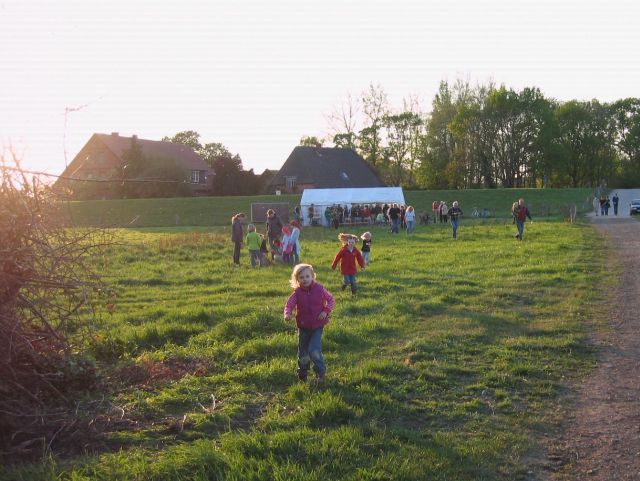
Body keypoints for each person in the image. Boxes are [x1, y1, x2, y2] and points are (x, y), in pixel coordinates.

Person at [284, 263, 335, 384]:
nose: (305, 279)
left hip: (317, 325)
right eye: (301, 277)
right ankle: (303, 372)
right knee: (303, 351)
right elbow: (289, 305)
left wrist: (325, 311)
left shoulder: (320, 289)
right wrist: (287, 314)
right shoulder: (297, 293)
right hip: (303, 326)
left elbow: (331, 300)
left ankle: (320, 373)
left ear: (313, 276)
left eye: (307, 276)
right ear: (297, 279)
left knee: (314, 350)